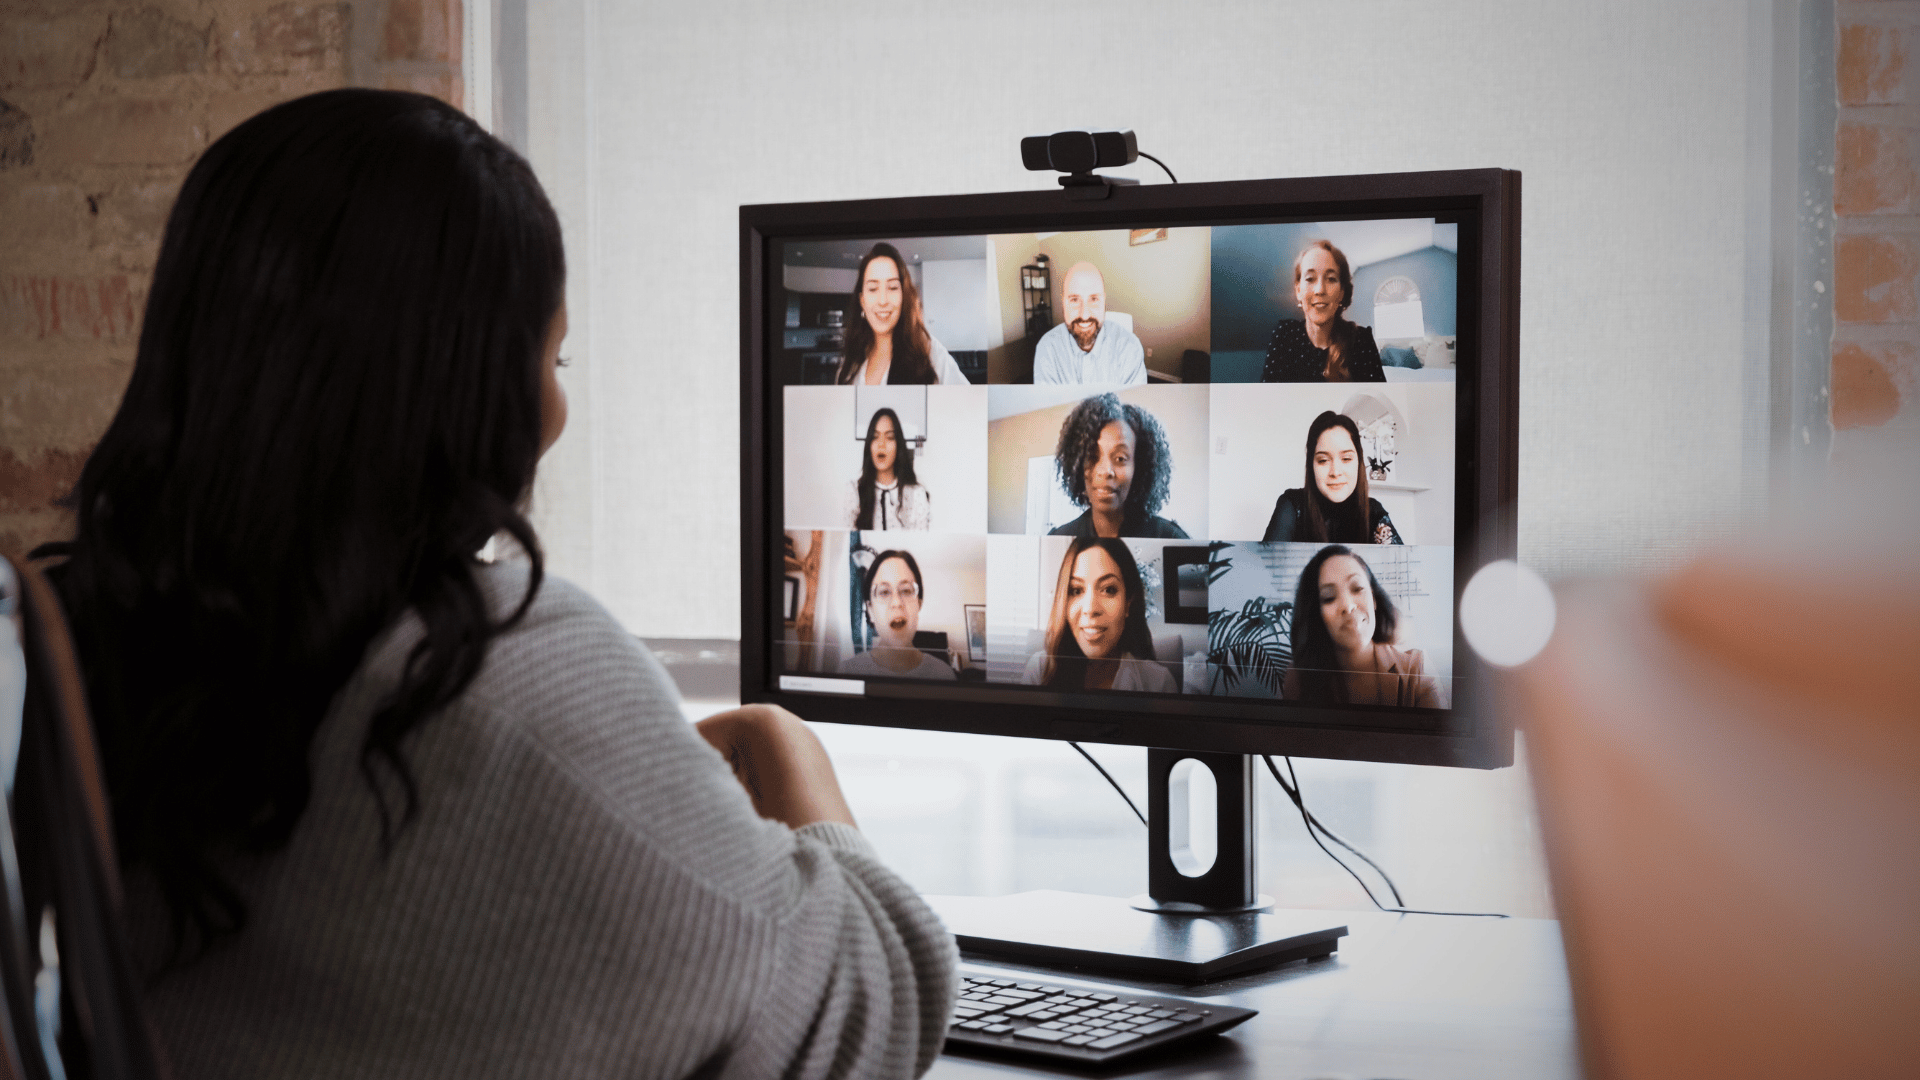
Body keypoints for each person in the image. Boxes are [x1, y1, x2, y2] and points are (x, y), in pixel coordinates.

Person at [39, 89, 954, 1078]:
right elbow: (882, 1001)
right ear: (465, 382)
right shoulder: (500, 670)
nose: (557, 409)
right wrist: (785, 746)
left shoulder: (90, 650)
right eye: (550, 356)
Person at [1283, 545, 1447, 708]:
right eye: (1329, 597)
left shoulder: (1417, 669)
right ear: (1316, 614)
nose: (1348, 605)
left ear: (1374, 599)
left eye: (1357, 588)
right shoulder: (1299, 676)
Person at [1020, 537, 1176, 692]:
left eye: (1109, 590)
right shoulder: (1040, 670)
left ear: (1128, 603)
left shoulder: (1159, 683)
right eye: (1076, 590)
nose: (1090, 609)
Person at [1048, 393, 1189, 538]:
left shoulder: (1171, 539)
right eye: (1092, 456)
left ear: (1139, 467)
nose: (1106, 471)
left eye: (1120, 458)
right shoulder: (1058, 539)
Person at [834, 241, 969, 385]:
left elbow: (970, 403)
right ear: (862, 301)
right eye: (873, 289)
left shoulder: (929, 352)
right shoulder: (850, 361)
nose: (883, 301)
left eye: (892, 288)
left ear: (903, 296)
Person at [1263, 410, 1403, 544]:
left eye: (1346, 459)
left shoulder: (1373, 511)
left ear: (1359, 462)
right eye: (1323, 460)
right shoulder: (1292, 505)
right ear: (1311, 465)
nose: (1335, 472)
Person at [1260, 240, 1386, 383]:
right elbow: (1269, 399)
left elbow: (1374, 402)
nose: (1320, 290)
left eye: (1331, 279)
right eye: (1310, 279)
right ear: (1298, 290)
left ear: (1341, 293)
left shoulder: (1362, 341)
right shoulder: (1284, 334)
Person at [838, 550, 957, 680]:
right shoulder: (846, 672)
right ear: (870, 610)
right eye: (884, 592)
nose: (896, 603)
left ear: (919, 604)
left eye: (906, 590)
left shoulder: (944, 675)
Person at [1031, 261, 1147, 386]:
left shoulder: (1130, 348)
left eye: (1094, 299)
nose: (1084, 315)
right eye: (1074, 300)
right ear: (1063, 302)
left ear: (1104, 300)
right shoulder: (1047, 349)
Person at [844, 407, 931, 530]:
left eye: (889, 437)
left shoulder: (916, 494)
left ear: (898, 445)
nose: (881, 444)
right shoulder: (854, 491)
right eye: (875, 437)